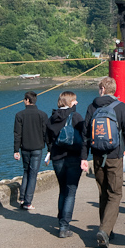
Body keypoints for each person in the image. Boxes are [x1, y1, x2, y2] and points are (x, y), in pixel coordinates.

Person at [84, 76, 125, 248]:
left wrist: (84, 157)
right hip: (114, 156)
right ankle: (105, 231)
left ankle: (107, 228)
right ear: (113, 90)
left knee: (103, 193)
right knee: (115, 194)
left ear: (102, 89)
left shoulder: (92, 107)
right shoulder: (121, 108)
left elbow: (85, 134)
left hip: (97, 156)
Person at [45, 91, 87, 238]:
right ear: (71, 102)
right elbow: (83, 137)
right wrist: (84, 157)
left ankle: (61, 220)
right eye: (75, 101)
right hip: (73, 158)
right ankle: (64, 226)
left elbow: (48, 140)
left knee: (62, 190)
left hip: (57, 158)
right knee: (71, 192)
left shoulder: (51, 119)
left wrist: (50, 152)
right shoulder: (75, 116)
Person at [13, 90, 48, 210]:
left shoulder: (19, 115)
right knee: (33, 174)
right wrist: (49, 148)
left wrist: (16, 150)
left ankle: (22, 198)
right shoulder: (42, 115)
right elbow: (45, 133)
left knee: (26, 172)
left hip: (25, 148)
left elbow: (17, 134)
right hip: (37, 148)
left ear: (27, 100)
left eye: (24, 99)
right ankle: (28, 202)